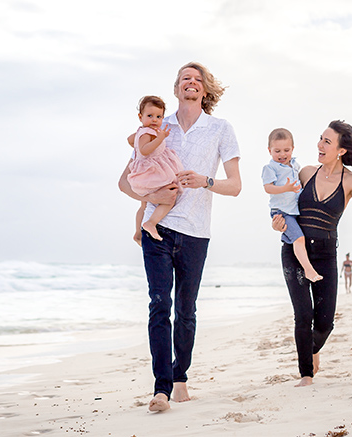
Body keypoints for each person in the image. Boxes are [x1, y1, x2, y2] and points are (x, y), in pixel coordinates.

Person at [119, 62, 241, 412]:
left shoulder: (220, 128)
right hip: (158, 230)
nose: (191, 82)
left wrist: (206, 181)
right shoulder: (157, 125)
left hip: (196, 232)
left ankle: (180, 376)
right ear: (176, 89)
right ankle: (161, 389)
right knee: (160, 304)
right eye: (185, 78)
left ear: (205, 90)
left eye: (197, 79)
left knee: (186, 311)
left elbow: (235, 186)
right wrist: (152, 199)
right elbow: (124, 181)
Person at [271, 120, 352, 387]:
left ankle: (313, 349)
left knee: (325, 323)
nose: (320, 144)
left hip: (326, 256)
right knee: (303, 315)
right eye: (320, 138)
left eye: (327, 141)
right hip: (295, 252)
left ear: (341, 150)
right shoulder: (305, 173)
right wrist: (276, 221)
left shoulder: (351, 182)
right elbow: (281, 202)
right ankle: (306, 375)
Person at [262, 128, 322, 282]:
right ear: (269, 151)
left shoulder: (295, 165)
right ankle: (308, 270)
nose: (282, 154)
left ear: (292, 149)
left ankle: (306, 266)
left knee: (298, 239)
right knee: (299, 239)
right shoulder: (270, 168)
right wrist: (285, 188)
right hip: (282, 212)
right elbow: (268, 187)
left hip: (294, 210)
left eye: (286, 150)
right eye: (277, 151)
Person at [127, 96, 182, 244]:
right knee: (169, 197)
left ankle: (138, 233)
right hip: (151, 172)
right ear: (140, 117)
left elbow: (130, 140)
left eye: (158, 117)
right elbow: (144, 150)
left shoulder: (142, 131)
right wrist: (159, 138)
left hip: (145, 171)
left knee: (144, 205)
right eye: (150, 116)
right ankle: (151, 223)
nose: (154, 120)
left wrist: (137, 145)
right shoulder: (148, 133)